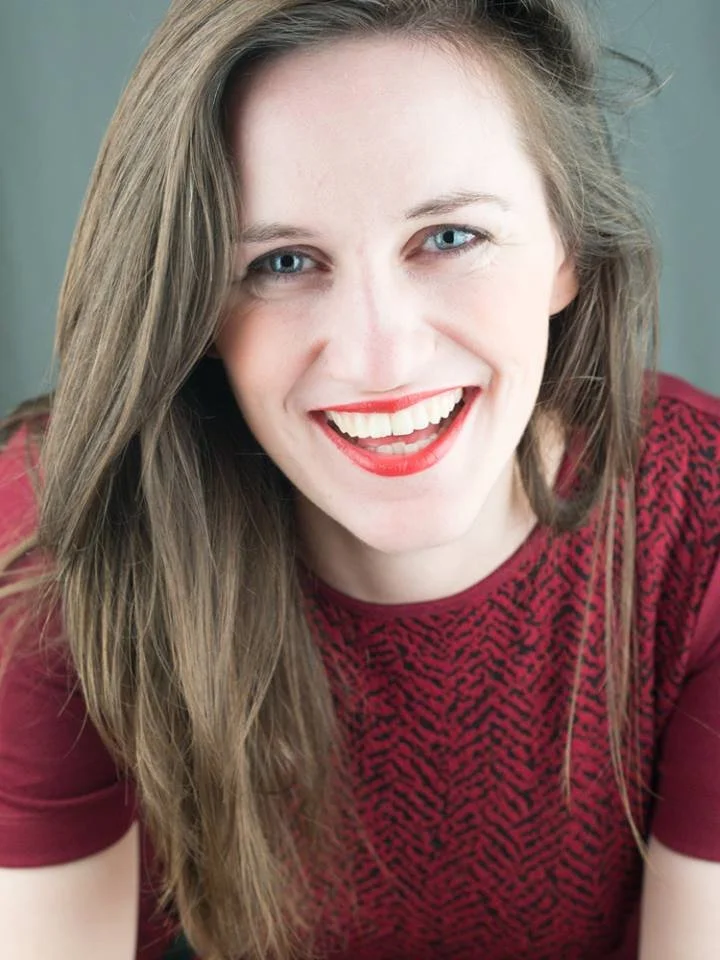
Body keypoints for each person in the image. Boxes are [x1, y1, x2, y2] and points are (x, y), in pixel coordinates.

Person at [0, 0, 719, 957]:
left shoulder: (702, 524)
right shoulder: (66, 541)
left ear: (567, 249)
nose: (381, 358)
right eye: (283, 261)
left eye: (451, 237)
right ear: (197, 304)